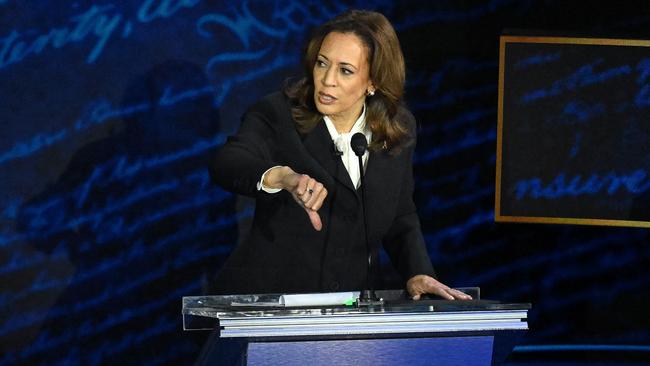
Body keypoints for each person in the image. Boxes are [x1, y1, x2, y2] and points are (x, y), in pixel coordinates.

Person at [209, 9, 471, 301]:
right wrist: (282, 176)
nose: (327, 80)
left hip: (351, 310)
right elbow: (227, 162)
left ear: (373, 81)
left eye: (345, 70)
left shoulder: (398, 129)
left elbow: (400, 214)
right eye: (322, 64)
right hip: (271, 304)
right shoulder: (279, 113)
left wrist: (417, 272)